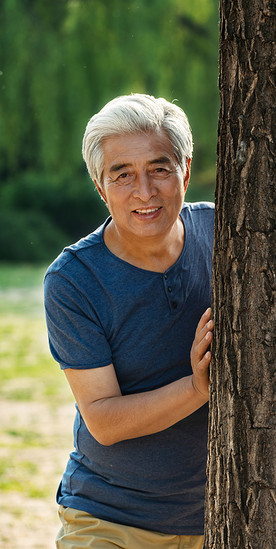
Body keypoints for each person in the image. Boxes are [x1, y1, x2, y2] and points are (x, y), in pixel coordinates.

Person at [44, 93, 214, 548]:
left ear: (186, 170)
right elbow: (104, 419)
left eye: (159, 169)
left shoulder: (229, 236)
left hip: (221, 519)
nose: (144, 191)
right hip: (109, 519)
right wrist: (198, 387)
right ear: (101, 188)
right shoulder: (74, 280)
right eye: (122, 175)